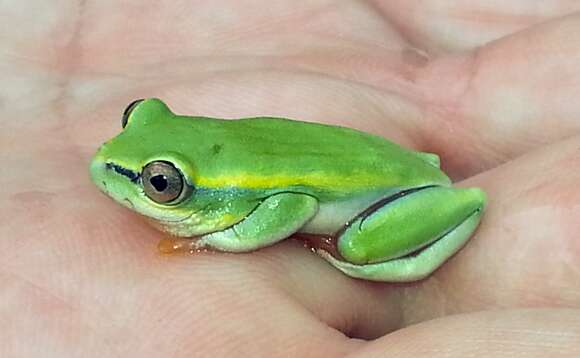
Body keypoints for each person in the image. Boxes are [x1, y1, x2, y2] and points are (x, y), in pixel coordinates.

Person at [1, 1, 579, 356]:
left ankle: (377, 257)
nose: (108, 162)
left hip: (403, 192)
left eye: (159, 183)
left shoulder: (240, 202)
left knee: (354, 241)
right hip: (372, 157)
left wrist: (221, 237)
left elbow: (293, 206)